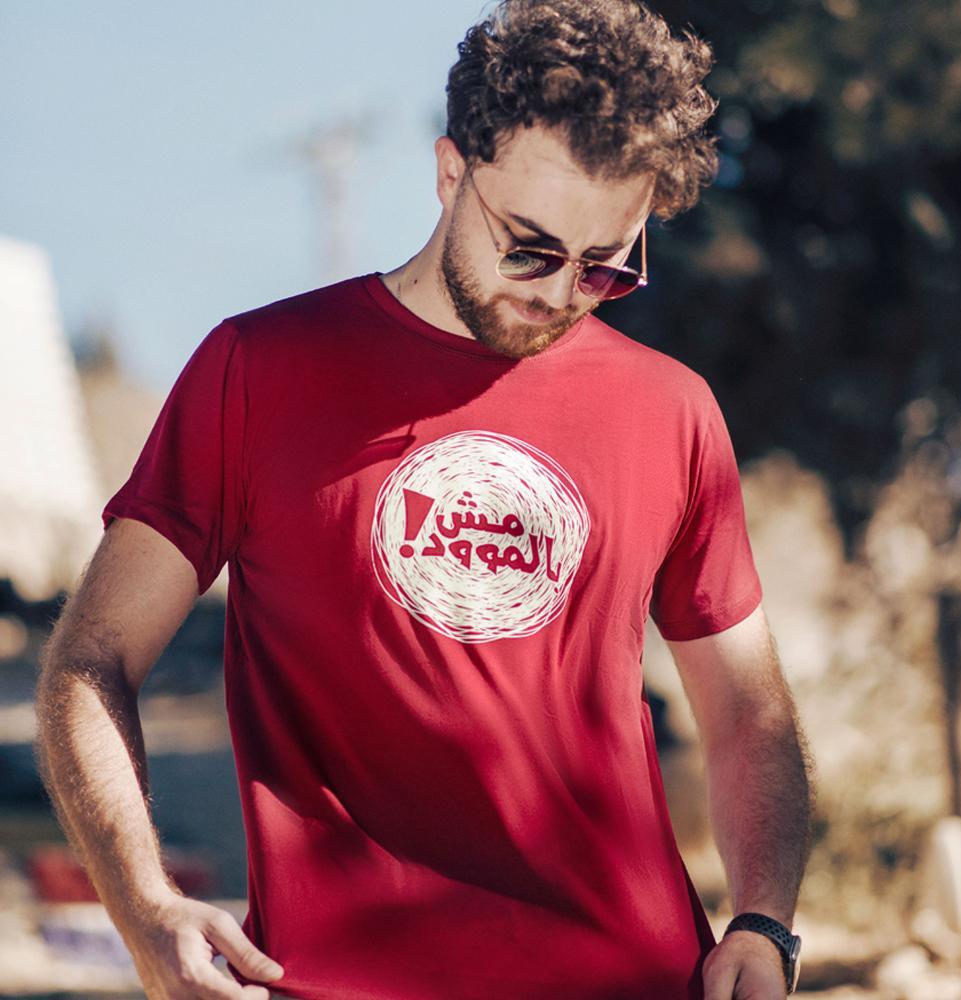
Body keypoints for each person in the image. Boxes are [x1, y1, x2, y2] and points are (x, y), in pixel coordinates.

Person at [35, 1, 814, 997]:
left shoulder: (673, 411)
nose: (558, 292)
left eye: (606, 268)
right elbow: (91, 660)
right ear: (451, 173)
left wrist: (763, 921)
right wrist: (143, 906)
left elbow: (747, 708)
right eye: (529, 248)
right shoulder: (258, 372)